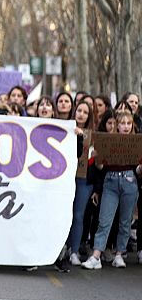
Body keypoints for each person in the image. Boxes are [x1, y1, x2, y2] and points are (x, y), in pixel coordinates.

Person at [82, 110, 140, 269]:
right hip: (110, 181)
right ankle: (96, 255)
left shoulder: (136, 142)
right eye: (122, 123)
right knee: (104, 220)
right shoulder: (109, 140)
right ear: (117, 126)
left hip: (129, 181)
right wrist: (97, 157)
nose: (126, 126)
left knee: (125, 221)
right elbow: (101, 167)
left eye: (129, 123)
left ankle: (119, 254)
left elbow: (138, 171)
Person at [58, 99, 97, 271]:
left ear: (89, 117)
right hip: (65, 178)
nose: (81, 114)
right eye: (79, 110)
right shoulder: (64, 128)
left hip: (83, 180)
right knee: (63, 213)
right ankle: (61, 248)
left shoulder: (93, 135)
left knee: (78, 215)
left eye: (85, 112)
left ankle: (74, 251)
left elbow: (94, 162)